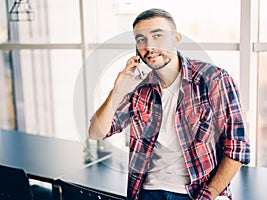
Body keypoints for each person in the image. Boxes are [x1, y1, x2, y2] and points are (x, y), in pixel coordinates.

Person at [89, 8, 250, 200]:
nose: (149, 47)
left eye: (157, 36)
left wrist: (209, 195)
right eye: (141, 39)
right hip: (147, 192)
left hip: (197, 193)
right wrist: (117, 92)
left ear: (176, 39)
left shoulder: (214, 79)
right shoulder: (139, 89)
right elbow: (96, 133)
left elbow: (237, 148)